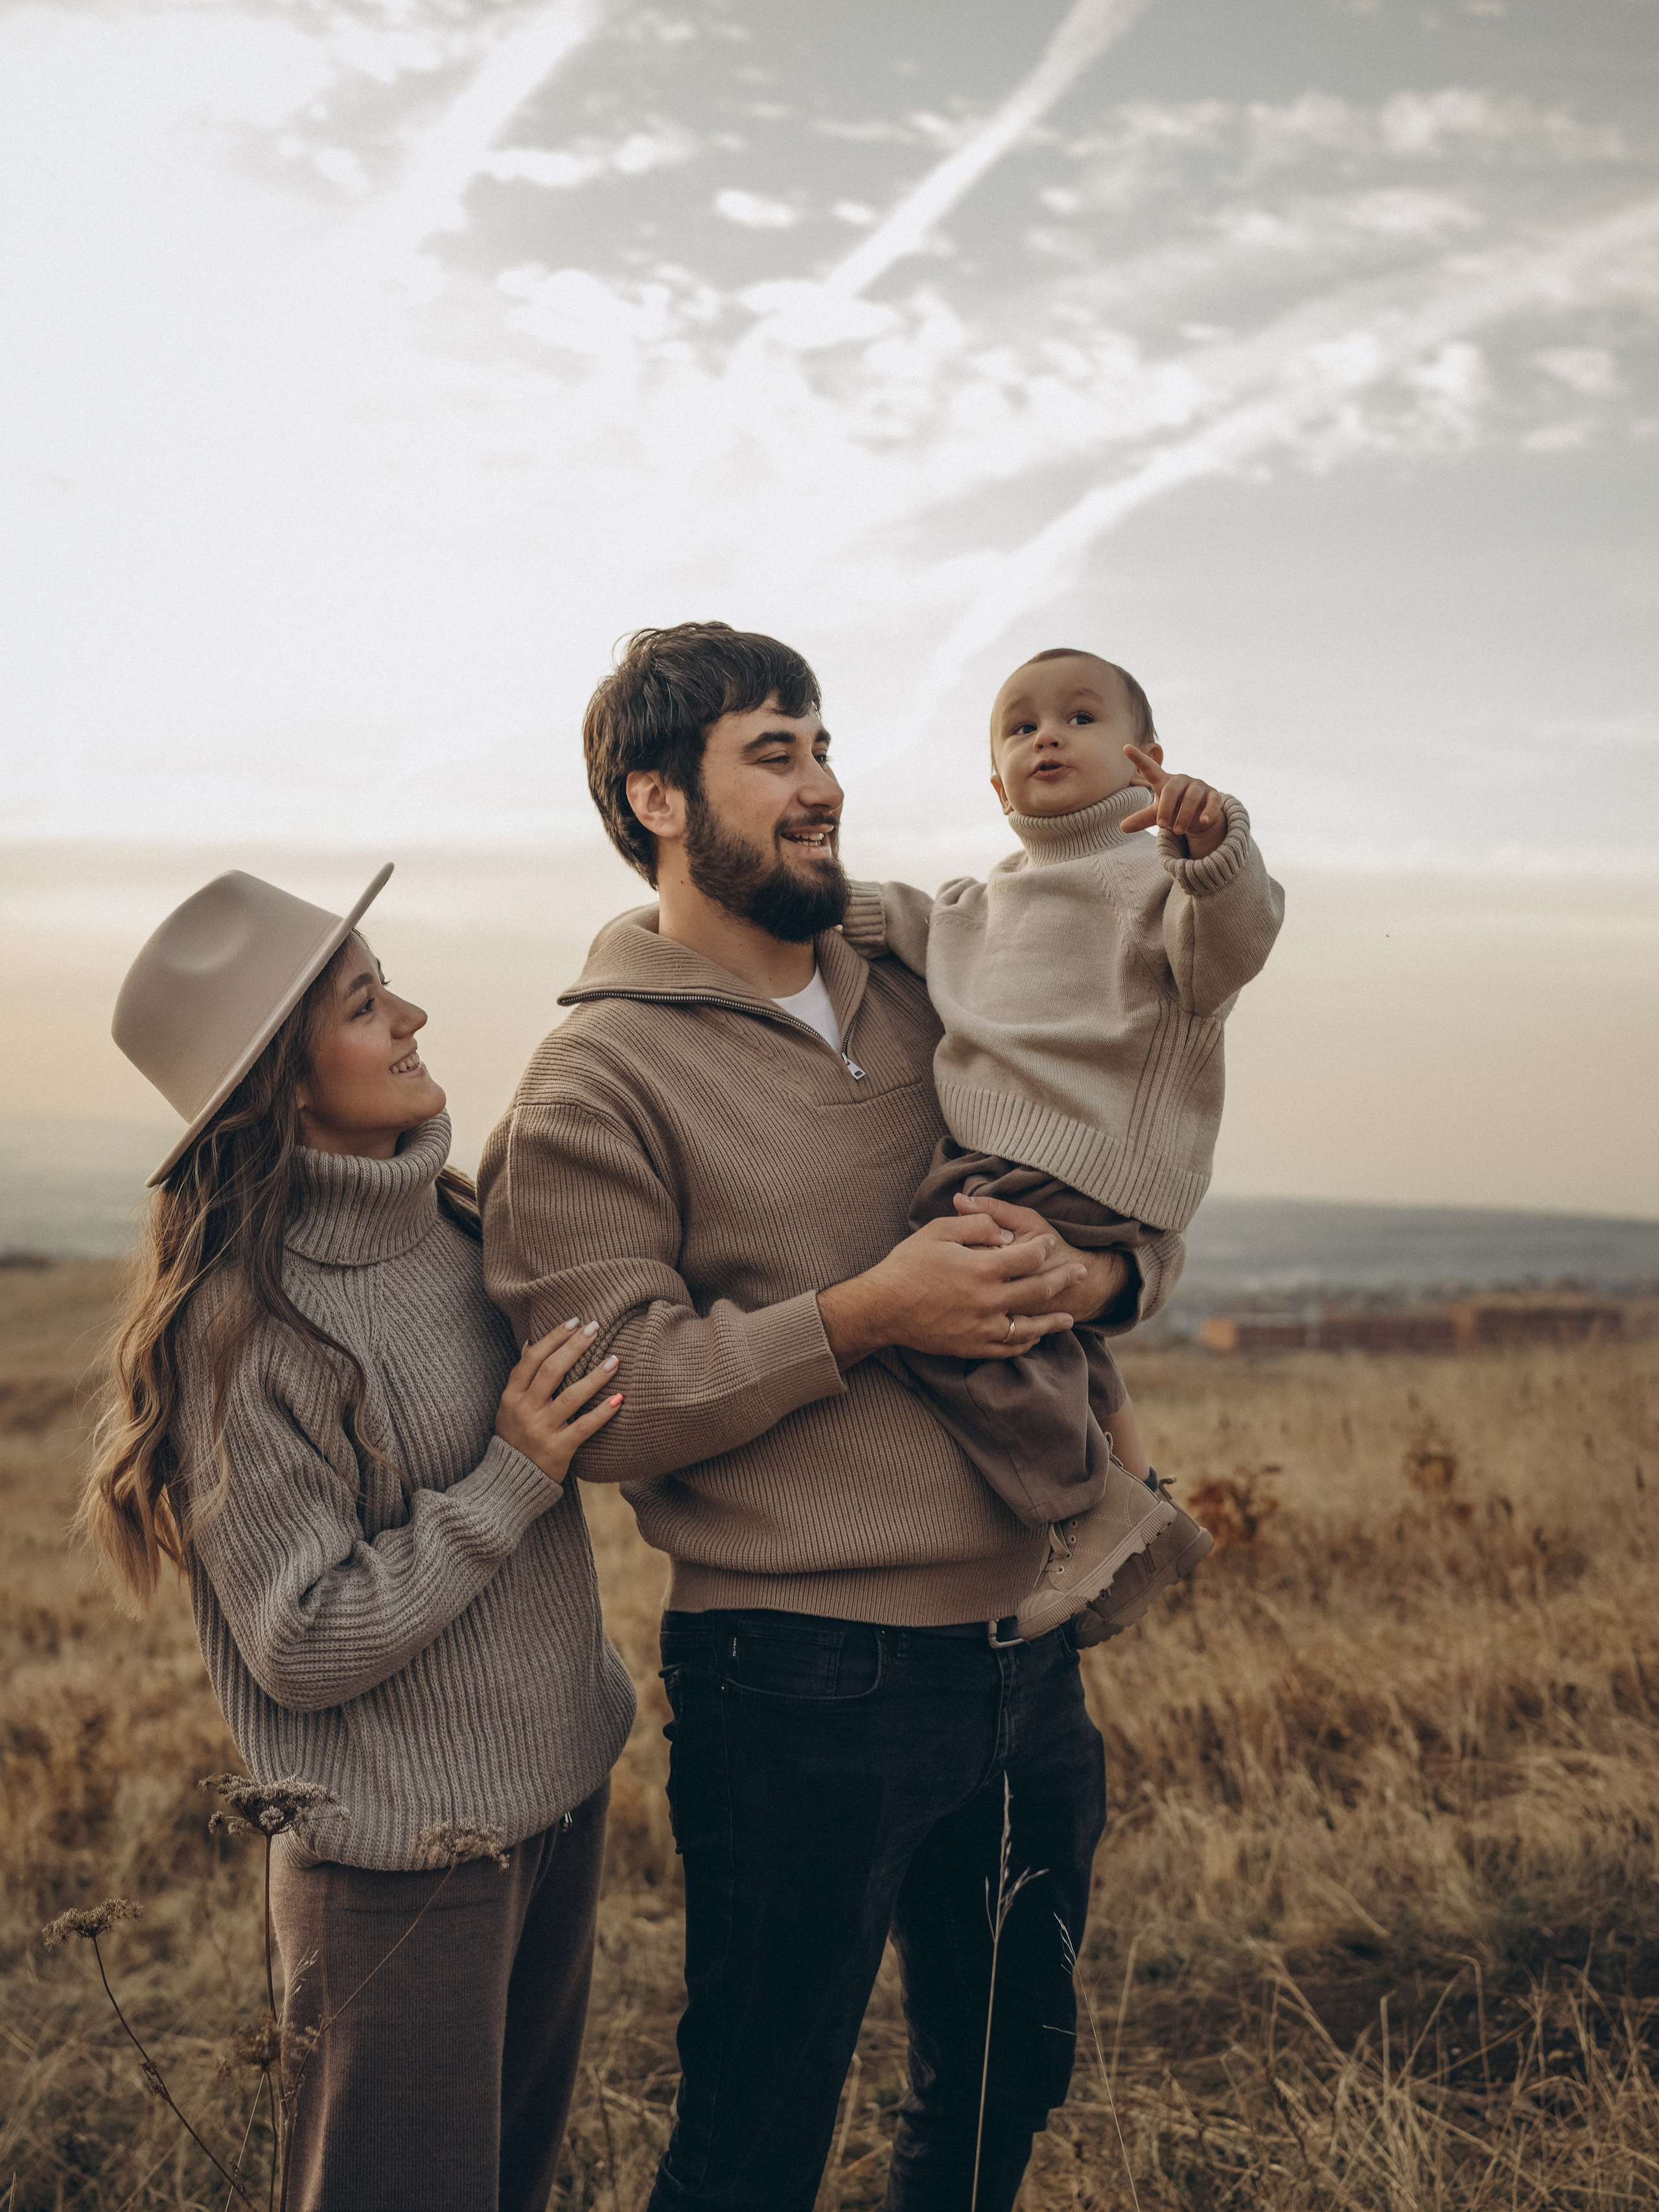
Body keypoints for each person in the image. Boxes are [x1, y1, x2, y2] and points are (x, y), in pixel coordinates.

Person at [478, 622, 1183, 2212]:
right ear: (658, 800)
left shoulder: (934, 980)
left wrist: (1101, 1278)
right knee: (754, 2140)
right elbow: (608, 1403)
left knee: (1000, 2094)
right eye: (772, 754)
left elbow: (1113, 1158)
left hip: (1026, 1655)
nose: (822, 787)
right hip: (795, 1679)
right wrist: (864, 1314)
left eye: (822, 747)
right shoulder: (593, 1082)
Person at [82, 863, 638, 2212]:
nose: (413, 1018)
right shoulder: (245, 1326)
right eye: (366, 1004)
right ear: (283, 1084)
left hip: (559, 1798)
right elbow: (302, 1640)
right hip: (402, 1873)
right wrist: (511, 1476)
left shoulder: (456, 1220)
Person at [842, 646, 1284, 1641]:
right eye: (1021, 726)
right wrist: (813, 901)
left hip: (1083, 1156)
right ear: (998, 785)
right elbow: (913, 918)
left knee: (951, 1310)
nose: (1047, 735)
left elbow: (1236, 942)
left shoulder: (1163, 878)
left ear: (1146, 756)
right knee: (1053, 1330)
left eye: (1081, 717)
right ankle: (1136, 1488)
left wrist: (1214, 842)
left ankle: (1086, 1511)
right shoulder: (987, 898)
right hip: (1022, 1161)